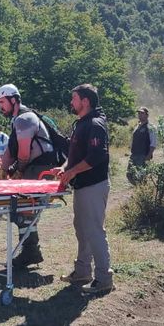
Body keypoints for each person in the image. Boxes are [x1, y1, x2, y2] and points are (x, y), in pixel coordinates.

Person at [56, 84, 113, 294]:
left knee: (94, 231)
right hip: (83, 185)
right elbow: (76, 156)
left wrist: (72, 173)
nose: (72, 102)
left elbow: (96, 157)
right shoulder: (82, 123)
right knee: (82, 229)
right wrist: (63, 168)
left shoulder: (96, 124)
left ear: (85, 101)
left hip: (94, 186)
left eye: (74, 98)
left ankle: (104, 278)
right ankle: (82, 272)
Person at [0, 83, 58, 269]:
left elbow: (23, 154)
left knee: (24, 210)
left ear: (13, 100)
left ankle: (31, 251)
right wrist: (2, 171)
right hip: (36, 167)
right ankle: (31, 250)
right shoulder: (20, 119)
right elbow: (10, 151)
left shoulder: (24, 119)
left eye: (2, 102)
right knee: (24, 211)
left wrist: (16, 173)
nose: (1, 106)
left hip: (38, 169)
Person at [127, 106, 157, 184]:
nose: (140, 115)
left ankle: (142, 192)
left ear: (147, 115)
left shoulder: (151, 127)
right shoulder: (137, 126)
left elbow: (153, 143)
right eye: (139, 113)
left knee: (141, 176)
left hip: (143, 155)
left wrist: (148, 156)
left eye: (142, 113)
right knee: (129, 174)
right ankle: (139, 189)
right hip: (134, 155)